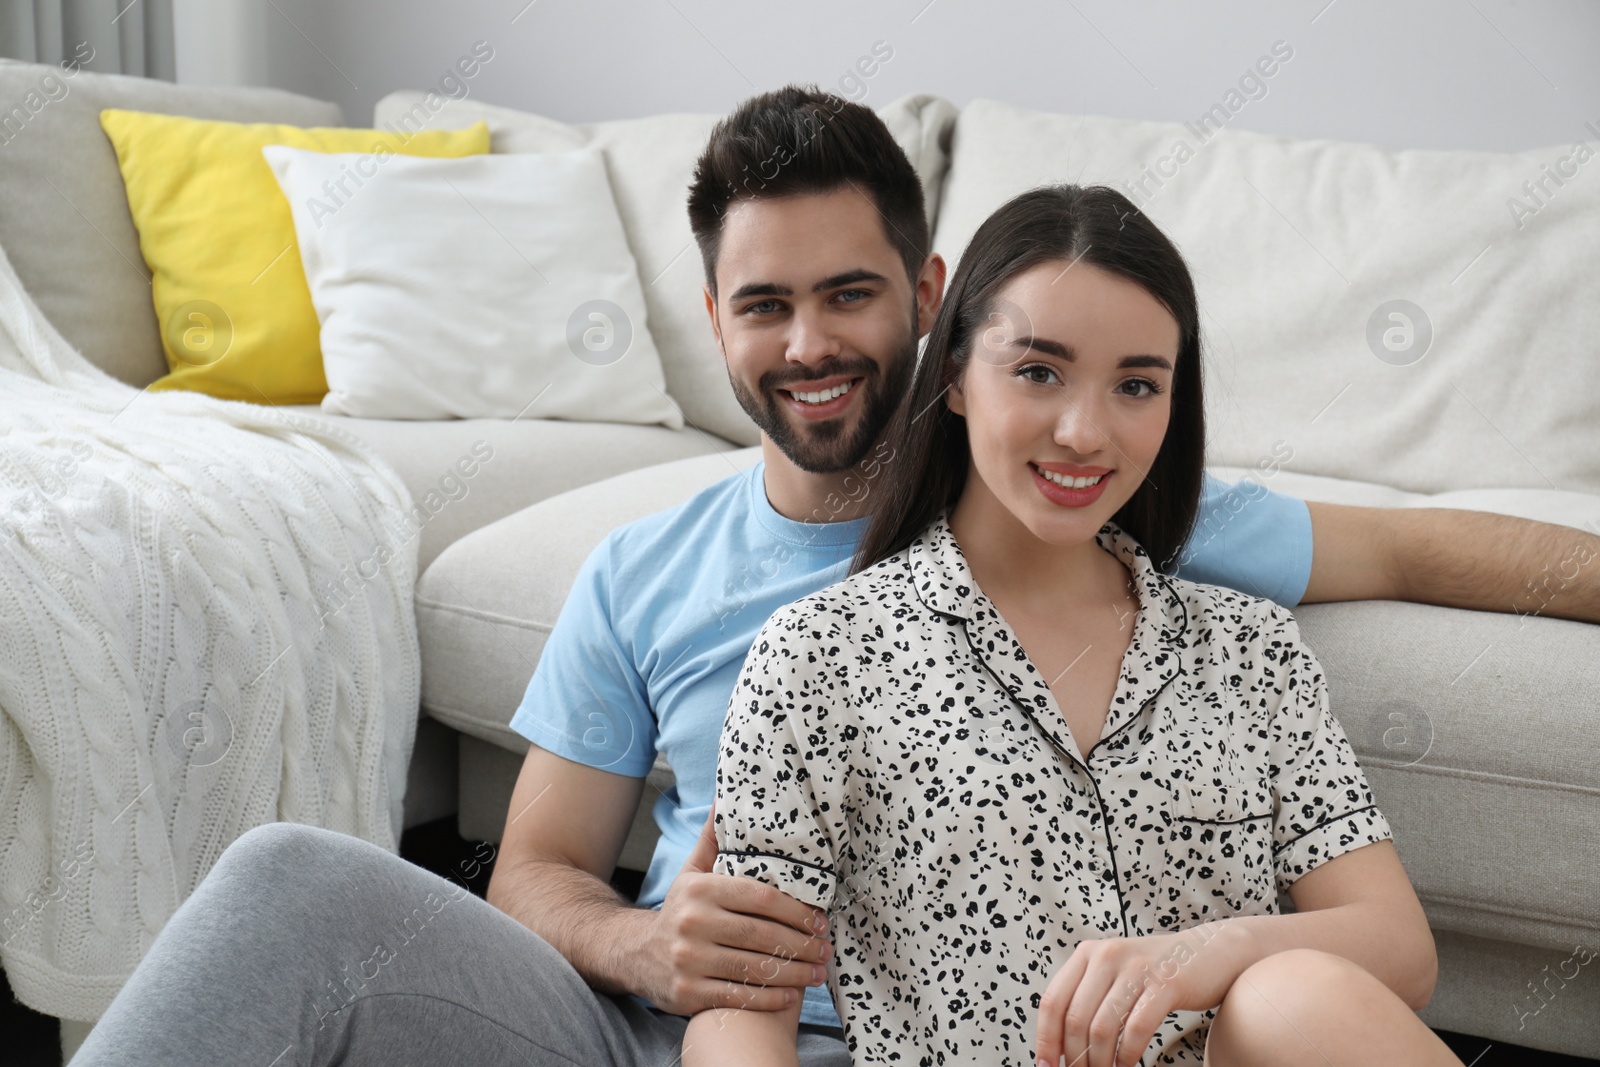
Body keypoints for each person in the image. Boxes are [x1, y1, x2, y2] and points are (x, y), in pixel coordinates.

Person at [68, 86, 1594, 1066]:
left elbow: (1425, 541)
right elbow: (538, 864)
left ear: (929, 302)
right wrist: (637, 940)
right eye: (766, 304)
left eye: (850, 293)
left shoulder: (1104, 510)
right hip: (663, 1026)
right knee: (287, 885)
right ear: (717, 318)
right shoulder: (656, 571)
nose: (808, 343)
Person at [681, 183, 1466, 1067]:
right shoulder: (819, 655)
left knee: (1293, 994)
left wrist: (1207, 953)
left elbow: (1401, 950)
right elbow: (738, 1008)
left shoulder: (1253, 649)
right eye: (1038, 371)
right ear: (954, 378)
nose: (1086, 432)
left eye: (1136, 384)